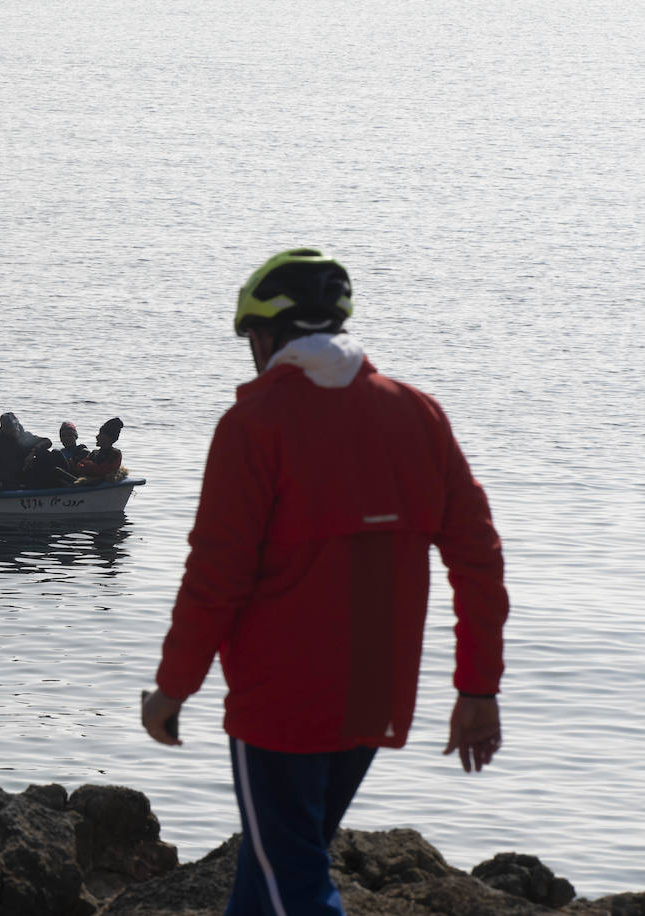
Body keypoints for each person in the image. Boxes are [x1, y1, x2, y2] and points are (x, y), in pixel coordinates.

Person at [141, 249, 509, 916]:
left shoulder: (253, 428)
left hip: (279, 699)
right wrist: (477, 686)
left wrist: (173, 688)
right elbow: (479, 557)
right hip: (376, 691)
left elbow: (214, 578)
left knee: (297, 888)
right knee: (275, 870)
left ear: (263, 336)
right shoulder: (419, 415)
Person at [73, 418, 124, 484]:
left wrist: (88, 465)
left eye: (101, 434)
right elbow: (80, 465)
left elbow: (102, 470)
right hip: (80, 478)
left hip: (93, 483)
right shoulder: (95, 452)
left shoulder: (114, 454)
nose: (97, 437)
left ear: (109, 438)